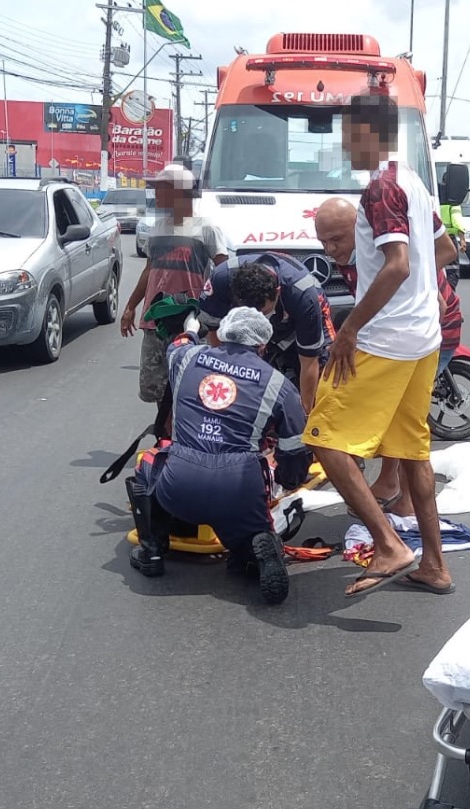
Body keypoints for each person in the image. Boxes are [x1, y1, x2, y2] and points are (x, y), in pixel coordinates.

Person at [301, 93, 455, 598]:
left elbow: (397, 265)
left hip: (386, 339)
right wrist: (420, 298)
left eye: (348, 134)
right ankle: (434, 565)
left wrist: (349, 329)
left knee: (324, 436)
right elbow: (444, 249)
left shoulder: (380, 189)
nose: (344, 145)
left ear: (368, 132)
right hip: (423, 338)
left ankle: (388, 543)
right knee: (413, 450)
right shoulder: (412, 181)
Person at [125, 307, 312, 606]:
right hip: (240, 490)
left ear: (222, 335)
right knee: (247, 527)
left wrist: (192, 327)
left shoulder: (187, 358)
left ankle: (152, 551)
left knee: (149, 461)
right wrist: (288, 480)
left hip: (180, 486)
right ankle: (251, 551)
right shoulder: (279, 385)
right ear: (262, 346)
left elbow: (178, 343)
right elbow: (295, 449)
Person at [313, 197, 462, 524]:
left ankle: (403, 496)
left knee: (406, 423)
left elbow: (436, 296)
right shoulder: (352, 255)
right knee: (400, 420)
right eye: (323, 241)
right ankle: (392, 484)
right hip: (398, 340)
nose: (329, 250)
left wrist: (352, 332)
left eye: (336, 239)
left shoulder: (389, 248)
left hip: (427, 337)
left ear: (360, 228)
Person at [120, 163, 230, 436]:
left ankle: (186, 436)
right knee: (157, 385)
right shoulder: (156, 229)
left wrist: (221, 315)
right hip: (155, 321)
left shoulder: (206, 230)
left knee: (191, 383)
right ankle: (165, 435)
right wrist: (131, 306)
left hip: (190, 324)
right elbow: (150, 270)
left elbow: (224, 271)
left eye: (161, 190)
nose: (156, 196)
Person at [196, 252, 336, 413]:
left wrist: (305, 415)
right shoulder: (221, 279)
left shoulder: (304, 297)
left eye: (263, 312)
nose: (258, 319)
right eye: (251, 312)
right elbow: (214, 335)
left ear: (277, 292)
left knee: (327, 376)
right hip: (245, 322)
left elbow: (310, 362)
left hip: (300, 311)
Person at [438, 199, 465, 289]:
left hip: (431, 238)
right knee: (452, 269)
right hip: (448, 238)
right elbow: (457, 219)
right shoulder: (453, 200)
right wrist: (462, 239)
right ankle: (449, 292)